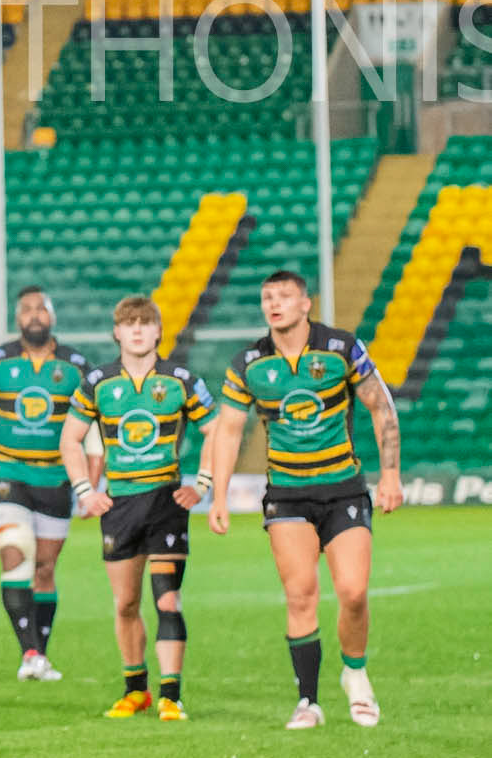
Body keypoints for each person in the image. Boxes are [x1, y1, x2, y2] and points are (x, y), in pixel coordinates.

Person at [208, 269, 403, 730]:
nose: (274, 304)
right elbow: (228, 430)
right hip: (288, 494)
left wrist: (390, 474)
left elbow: (381, 407)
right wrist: (218, 495)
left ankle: (355, 673)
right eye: (267, 297)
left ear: (305, 303)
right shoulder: (249, 362)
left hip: (342, 487)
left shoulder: (340, 348)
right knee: (300, 596)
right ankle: (308, 701)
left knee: (353, 592)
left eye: (284, 296)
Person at [61, 295, 216, 722]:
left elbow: (216, 429)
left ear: (158, 331)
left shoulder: (180, 380)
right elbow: (70, 438)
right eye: (129, 323)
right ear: (116, 331)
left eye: (145, 322)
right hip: (120, 505)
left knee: (167, 600)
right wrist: (85, 491)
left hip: (166, 501)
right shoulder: (98, 383)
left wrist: (202, 484)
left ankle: (171, 696)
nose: (137, 329)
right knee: (126, 603)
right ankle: (136, 691)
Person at [0, 286, 93, 681]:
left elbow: (93, 428)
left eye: (41, 308)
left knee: (45, 569)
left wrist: (90, 484)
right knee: (15, 554)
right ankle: (29, 652)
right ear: (17, 318)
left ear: (52, 316)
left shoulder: (76, 367)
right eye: (27, 309)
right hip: (6, 474)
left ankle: (40, 655)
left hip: (56, 478)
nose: (34, 315)